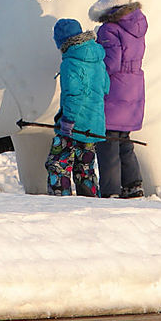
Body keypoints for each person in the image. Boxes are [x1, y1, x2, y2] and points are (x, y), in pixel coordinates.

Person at [89, 0, 147, 199]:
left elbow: (111, 63)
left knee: (108, 143)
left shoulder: (109, 29)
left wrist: (95, 52)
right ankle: (133, 185)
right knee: (124, 140)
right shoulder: (137, 24)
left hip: (115, 90)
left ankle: (111, 190)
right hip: (134, 87)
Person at [45, 18, 109, 197]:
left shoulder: (70, 62)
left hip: (73, 125)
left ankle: (60, 202)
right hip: (93, 125)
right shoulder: (98, 58)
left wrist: (68, 121)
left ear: (62, 41)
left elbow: (74, 95)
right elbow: (106, 87)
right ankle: (90, 203)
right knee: (85, 169)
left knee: (57, 164)